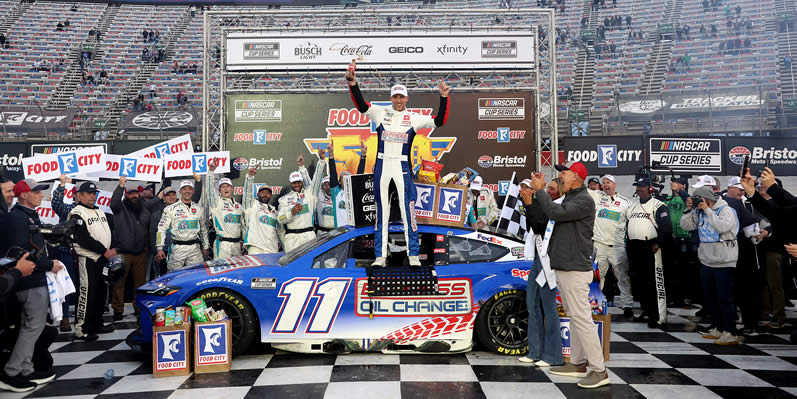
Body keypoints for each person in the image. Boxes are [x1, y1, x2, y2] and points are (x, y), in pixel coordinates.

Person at [345, 59, 450, 267]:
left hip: (402, 166)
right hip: (382, 166)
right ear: (391, 98)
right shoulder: (381, 113)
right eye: (395, 96)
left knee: (407, 211)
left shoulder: (413, 117)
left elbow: (440, 121)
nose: (399, 100)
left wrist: (444, 98)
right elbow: (360, 105)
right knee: (381, 212)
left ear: (407, 98)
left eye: (401, 96)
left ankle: (413, 256)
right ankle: (380, 257)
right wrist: (353, 84)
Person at [529, 161, 608, 389]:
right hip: (566, 265)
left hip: (574, 268)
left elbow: (554, 212)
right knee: (575, 317)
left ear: (577, 177)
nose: (561, 176)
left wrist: (540, 190)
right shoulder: (572, 197)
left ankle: (599, 369)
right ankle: (577, 362)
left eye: (565, 172)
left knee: (582, 319)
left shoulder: (583, 200)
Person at [1, 179, 61, 393]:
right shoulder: (18, 218)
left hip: (31, 279)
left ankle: (26, 369)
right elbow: (21, 253)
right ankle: (12, 371)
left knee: (31, 326)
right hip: (28, 280)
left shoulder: (25, 215)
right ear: (23, 195)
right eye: (35, 192)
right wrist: (49, 264)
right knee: (32, 327)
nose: (40, 195)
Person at [681, 187, 741, 345]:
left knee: (725, 298)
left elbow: (722, 227)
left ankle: (731, 332)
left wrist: (707, 210)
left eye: (699, 199)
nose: (697, 202)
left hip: (724, 260)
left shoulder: (726, 210)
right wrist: (689, 210)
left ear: (707, 199)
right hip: (707, 259)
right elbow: (686, 226)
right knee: (711, 297)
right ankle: (718, 328)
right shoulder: (699, 210)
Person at [518, 179, 563, 368]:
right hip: (538, 257)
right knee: (532, 304)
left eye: (551, 189)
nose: (547, 191)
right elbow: (533, 226)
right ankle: (535, 351)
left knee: (549, 307)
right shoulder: (543, 204)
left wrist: (529, 204)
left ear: (560, 191)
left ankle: (553, 355)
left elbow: (540, 226)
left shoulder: (560, 207)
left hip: (549, 261)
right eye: (547, 188)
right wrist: (529, 205)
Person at [69, 182, 114, 341]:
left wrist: (111, 248)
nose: (92, 196)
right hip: (88, 258)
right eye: (88, 193)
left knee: (100, 293)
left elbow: (108, 232)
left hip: (102, 259)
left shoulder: (99, 211)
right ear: (79, 195)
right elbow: (82, 238)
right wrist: (104, 250)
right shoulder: (76, 212)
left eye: (94, 193)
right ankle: (81, 328)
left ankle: (96, 323)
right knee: (87, 293)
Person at [626, 176, 672, 329]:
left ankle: (659, 316)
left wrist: (658, 242)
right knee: (639, 283)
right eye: (637, 186)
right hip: (634, 247)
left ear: (650, 188)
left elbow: (666, 228)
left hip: (650, 247)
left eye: (642, 186)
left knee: (654, 283)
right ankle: (646, 310)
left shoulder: (659, 205)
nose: (639, 189)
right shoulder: (632, 207)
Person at [589, 174, 634, 317]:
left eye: (608, 182)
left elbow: (633, 221)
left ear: (614, 184)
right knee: (598, 276)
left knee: (622, 276)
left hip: (617, 245)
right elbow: (581, 190)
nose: (606, 185)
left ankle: (627, 305)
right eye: (604, 183)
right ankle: (597, 303)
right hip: (599, 244)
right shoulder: (597, 197)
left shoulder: (626, 202)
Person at [109, 176, 150, 321]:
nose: (134, 195)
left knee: (140, 284)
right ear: (126, 194)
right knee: (119, 283)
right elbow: (113, 202)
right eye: (131, 193)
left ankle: (139, 309)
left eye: (136, 193)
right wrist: (120, 186)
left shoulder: (144, 207)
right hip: (123, 252)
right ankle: (118, 310)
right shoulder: (119, 207)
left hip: (141, 253)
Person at [156, 180, 208, 271]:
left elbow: (203, 229)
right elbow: (161, 229)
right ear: (180, 191)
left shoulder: (199, 209)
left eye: (190, 189)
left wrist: (206, 246)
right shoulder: (170, 209)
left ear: (193, 191)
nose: (187, 191)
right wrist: (160, 248)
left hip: (195, 248)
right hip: (177, 248)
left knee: (196, 274)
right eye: (184, 189)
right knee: (174, 276)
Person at [661, 176, 697, 307]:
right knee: (671, 269)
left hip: (684, 238)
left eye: (678, 183)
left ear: (684, 186)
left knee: (684, 269)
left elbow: (690, 200)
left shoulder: (686, 198)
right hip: (670, 237)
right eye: (674, 183)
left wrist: (680, 190)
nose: (674, 185)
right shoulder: (668, 199)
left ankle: (685, 296)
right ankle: (671, 296)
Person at [326, 139, 367, 228]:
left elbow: (359, 175)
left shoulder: (354, 192)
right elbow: (333, 173)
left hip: (355, 233)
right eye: (343, 178)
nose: (345, 180)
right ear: (339, 181)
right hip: (340, 234)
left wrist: (363, 156)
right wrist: (331, 155)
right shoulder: (336, 192)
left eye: (348, 178)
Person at [206, 160, 243, 258]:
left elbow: (243, 225)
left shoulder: (239, 206)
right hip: (223, 244)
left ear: (232, 189)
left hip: (237, 244)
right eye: (223, 187)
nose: (226, 189)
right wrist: (210, 172)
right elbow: (209, 190)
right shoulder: (216, 202)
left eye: (228, 186)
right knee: (223, 271)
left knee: (237, 271)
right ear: (219, 190)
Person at [278, 167, 316, 253]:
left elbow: (317, 179)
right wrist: (291, 213)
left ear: (302, 182)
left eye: (299, 182)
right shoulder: (284, 199)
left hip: (309, 236)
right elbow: (280, 219)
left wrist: (321, 161)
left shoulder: (310, 194)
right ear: (290, 183)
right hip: (292, 239)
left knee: (309, 264)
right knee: (292, 265)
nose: (297, 185)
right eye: (294, 183)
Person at [242, 168, 280, 254]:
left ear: (271, 195)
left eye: (267, 193)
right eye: (263, 192)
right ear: (258, 194)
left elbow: (280, 232)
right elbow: (247, 194)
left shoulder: (275, 212)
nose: (265, 195)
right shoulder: (252, 205)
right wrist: (250, 177)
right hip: (256, 247)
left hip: (272, 249)